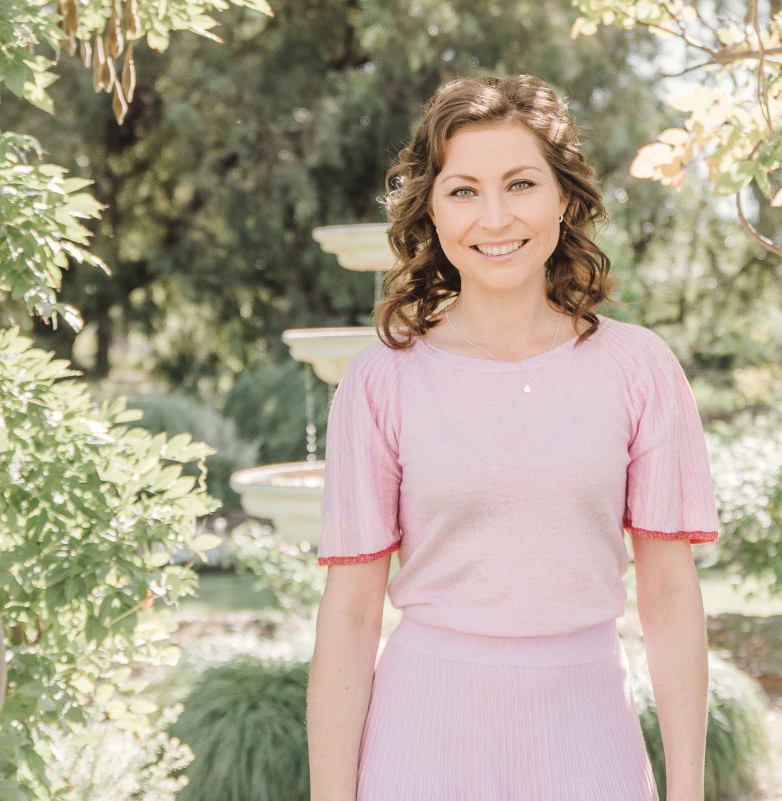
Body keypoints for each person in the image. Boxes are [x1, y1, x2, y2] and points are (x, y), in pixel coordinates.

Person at [305, 74, 721, 801]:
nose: (493, 217)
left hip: (591, 742)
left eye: (520, 184)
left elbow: (670, 594)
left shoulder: (639, 369)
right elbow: (349, 612)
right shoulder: (380, 382)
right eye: (464, 190)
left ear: (563, 196)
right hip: (419, 746)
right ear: (431, 210)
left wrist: (686, 792)